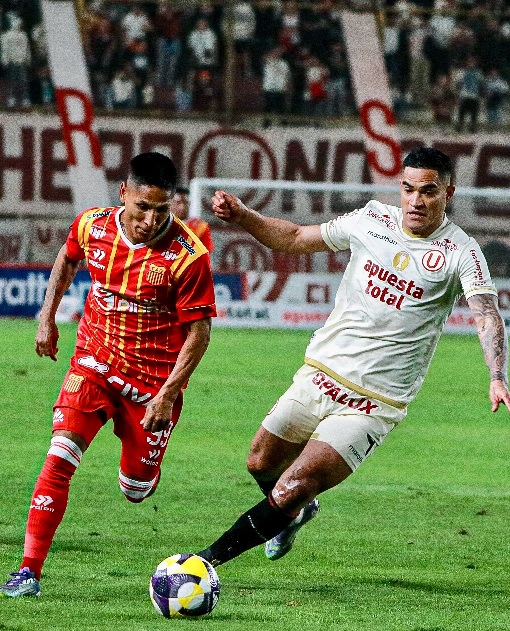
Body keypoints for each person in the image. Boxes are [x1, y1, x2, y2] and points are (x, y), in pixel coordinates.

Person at [192, 146, 510, 569]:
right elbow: (294, 238)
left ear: (448, 193)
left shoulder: (461, 253)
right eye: (408, 189)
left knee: (293, 485)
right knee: (260, 463)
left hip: (373, 403)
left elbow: (486, 314)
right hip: (319, 375)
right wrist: (244, 216)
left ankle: (201, 565)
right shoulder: (371, 219)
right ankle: (292, 515)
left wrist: (496, 374)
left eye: (428, 191)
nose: (415, 200)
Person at [0, 152, 216, 597]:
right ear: (124, 194)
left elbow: (199, 334)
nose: (151, 220)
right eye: (143, 207)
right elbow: (67, 259)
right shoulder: (92, 225)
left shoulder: (188, 257)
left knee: (136, 489)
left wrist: (167, 395)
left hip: (152, 388)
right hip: (94, 364)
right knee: (60, 455)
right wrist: (47, 318)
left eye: (162, 210)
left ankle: (143, 471)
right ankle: (28, 571)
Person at [171, 186, 214, 252]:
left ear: (189, 204)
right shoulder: (161, 224)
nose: (182, 207)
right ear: (170, 204)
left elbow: (206, 253)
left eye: (185, 202)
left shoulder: (201, 226)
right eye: (178, 203)